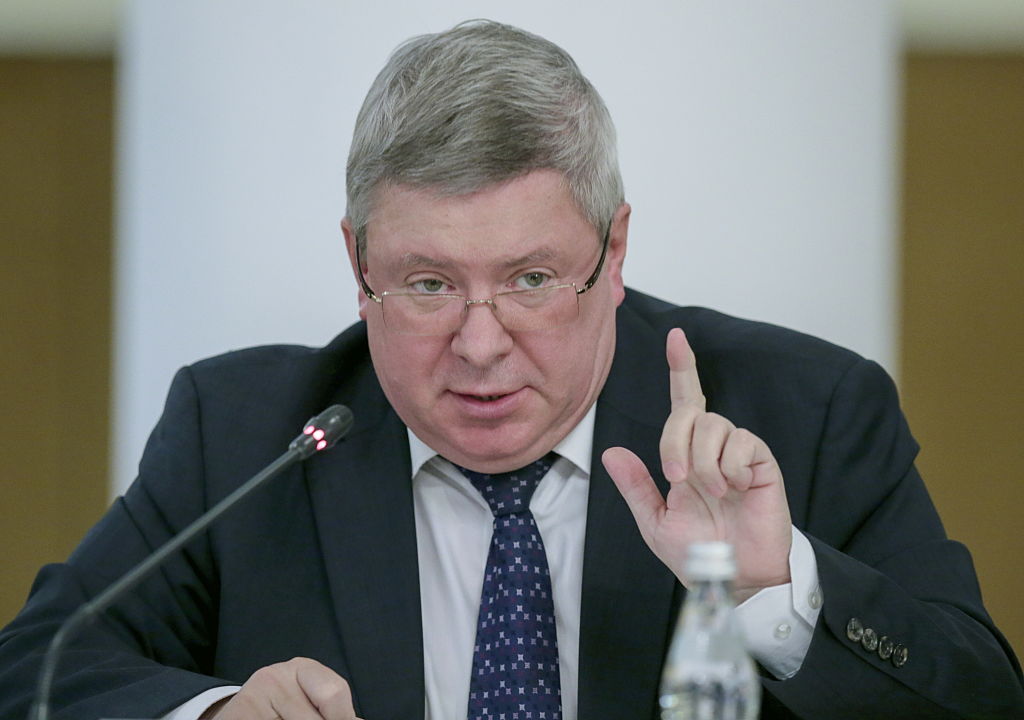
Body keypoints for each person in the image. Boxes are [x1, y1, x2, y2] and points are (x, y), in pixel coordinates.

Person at [1, 19, 1021, 720]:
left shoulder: (803, 413)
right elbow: (37, 671)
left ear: (614, 255)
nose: (481, 345)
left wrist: (773, 587)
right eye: (428, 286)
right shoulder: (243, 432)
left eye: (532, 278)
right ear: (358, 269)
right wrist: (218, 711)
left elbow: (980, 700)